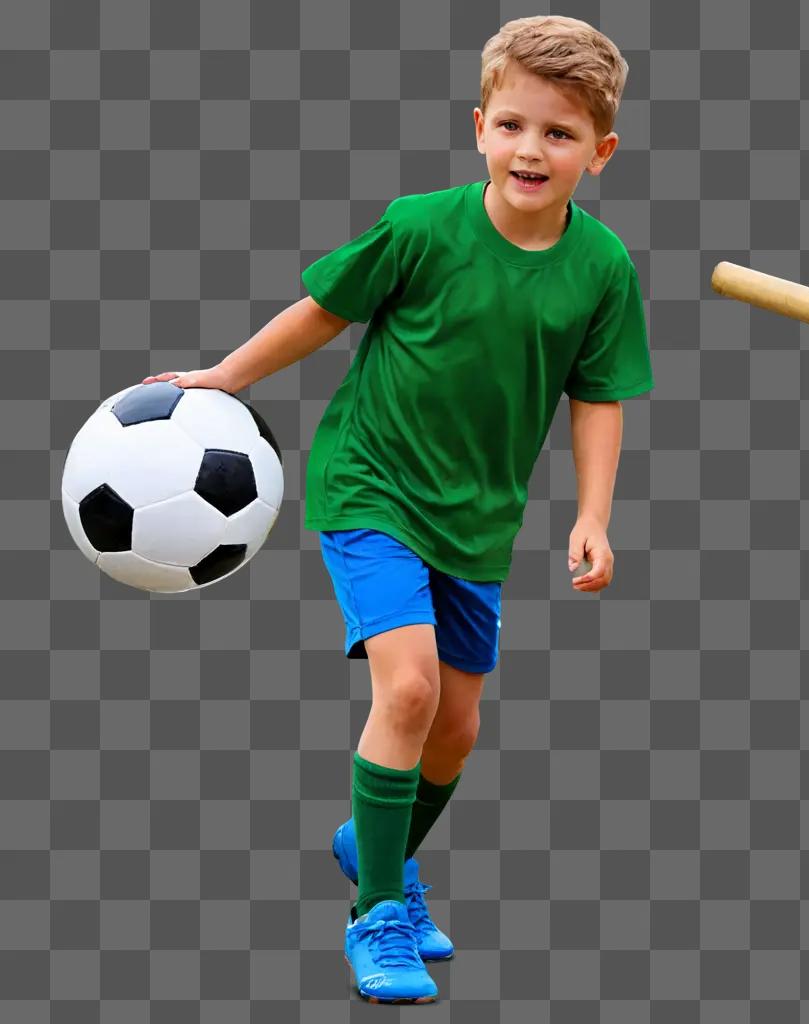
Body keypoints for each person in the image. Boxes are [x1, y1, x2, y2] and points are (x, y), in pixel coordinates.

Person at [141, 14, 654, 1004]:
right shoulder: (421, 227)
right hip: (370, 481)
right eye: (511, 125)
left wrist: (593, 513)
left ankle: (367, 843)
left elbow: (597, 396)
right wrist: (224, 379)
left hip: (479, 517)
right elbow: (324, 311)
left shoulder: (601, 269)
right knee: (409, 691)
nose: (530, 150)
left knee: (456, 730)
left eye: (557, 133)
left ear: (601, 152)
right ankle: (378, 911)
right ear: (477, 129)